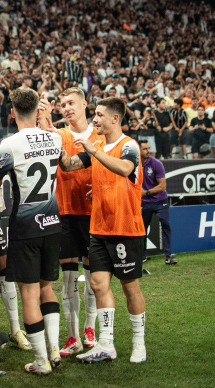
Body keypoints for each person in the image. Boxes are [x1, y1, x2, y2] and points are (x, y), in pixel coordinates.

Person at [0, 88, 63, 376]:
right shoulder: (55, 137)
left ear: (12, 112)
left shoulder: (9, 144)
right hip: (52, 222)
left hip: (25, 226)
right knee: (47, 287)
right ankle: (54, 348)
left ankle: (42, 362)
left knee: (28, 294)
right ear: (38, 111)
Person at [59, 97, 147, 364]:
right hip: (98, 228)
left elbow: (125, 168)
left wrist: (94, 153)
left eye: (98, 115)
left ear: (115, 119)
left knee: (130, 287)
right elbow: (68, 165)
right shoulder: (95, 145)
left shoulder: (128, 145)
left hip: (126, 229)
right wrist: (52, 137)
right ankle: (106, 343)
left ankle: (138, 342)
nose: (94, 120)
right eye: (94, 114)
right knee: (98, 284)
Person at [49, 87, 99, 356]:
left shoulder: (99, 135)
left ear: (84, 104)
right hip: (65, 213)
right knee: (68, 281)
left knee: (94, 280)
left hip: (94, 215)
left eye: (71, 103)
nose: (66, 108)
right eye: (63, 104)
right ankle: (72, 337)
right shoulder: (58, 134)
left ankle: (90, 329)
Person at [139, 140, 177, 265]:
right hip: (144, 202)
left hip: (160, 201)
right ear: (139, 150)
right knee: (141, 229)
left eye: (148, 148)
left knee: (166, 225)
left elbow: (162, 186)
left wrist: (147, 192)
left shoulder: (156, 163)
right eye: (145, 149)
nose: (148, 151)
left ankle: (168, 256)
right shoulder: (135, 164)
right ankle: (142, 255)